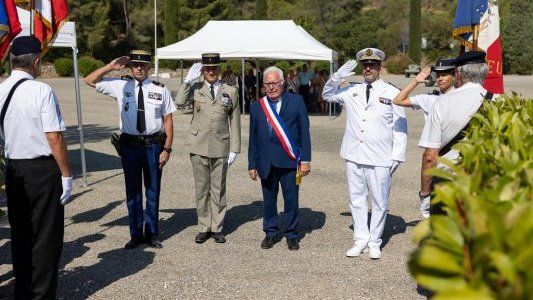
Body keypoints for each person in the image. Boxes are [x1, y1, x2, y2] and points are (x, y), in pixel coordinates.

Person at [0, 36, 72, 299]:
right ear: (37, 61)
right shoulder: (41, 90)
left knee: (21, 235)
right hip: (42, 171)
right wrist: (66, 174)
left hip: (14, 169)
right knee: (45, 239)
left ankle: (23, 291)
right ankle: (41, 295)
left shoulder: (1, 89)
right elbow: (54, 137)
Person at [84, 50, 176, 249]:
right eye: (135, 65)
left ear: (149, 66)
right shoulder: (120, 85)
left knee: (153, 191)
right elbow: (89, 80)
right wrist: (110, 66)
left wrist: (167, 149)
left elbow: (168, 121)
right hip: (130, 147)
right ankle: (135, 234)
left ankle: (152, 233)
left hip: (153, 146)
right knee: (132, 192)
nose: (139, 68)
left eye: (143, 65)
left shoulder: (160, 89)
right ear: (130, 67)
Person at [322, 48, 407, 259]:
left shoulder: (392, 92)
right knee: (356, 199)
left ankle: (375, 241)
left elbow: (400, 127)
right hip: (354, 154)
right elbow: (327, 95)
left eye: (373, 65)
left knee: (379, 201)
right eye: (365, 65)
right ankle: (360, 239)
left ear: (380, 67)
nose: (368, 69)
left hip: (380, 157)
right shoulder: (352, 90)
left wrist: (397, 156)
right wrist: (338, 76)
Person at [175, 53, 241, 244]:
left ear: (219, 70)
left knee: (218, 189)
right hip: (198, 146)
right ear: (203, 71)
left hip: (221, 145)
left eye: (214, 69)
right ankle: (204, 226)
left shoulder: (230, 91)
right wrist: (187, 81)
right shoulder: (195, 89)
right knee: (202, 189)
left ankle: (217, 227)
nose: (211, 72)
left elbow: (234, 121)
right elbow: (179, 102)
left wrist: (234, 148)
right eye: (207, 69)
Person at [248, 66, 311, 251]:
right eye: (267, 83)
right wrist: (252, 163)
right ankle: (271, 232)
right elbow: (253, 138)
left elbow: (304, 133)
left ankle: (292, 234)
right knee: (268, 200)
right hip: (266, 162)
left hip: (290, 161)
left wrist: (306, 160)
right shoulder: (257, 106)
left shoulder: (297, 101)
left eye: (275, 83)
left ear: (282, 83)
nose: (271, 87)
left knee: (291, 199)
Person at [418, 51, 489, 215]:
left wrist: (424, 194)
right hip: (483, 184)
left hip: (447, 183)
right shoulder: (498, 100)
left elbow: (430, 156)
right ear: (485, 71)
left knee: (444, 238)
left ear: (458, 74)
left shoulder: (442, 103)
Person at [392, 58, 455, 218]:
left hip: (455, 155)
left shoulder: (461, 97)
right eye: (438, 74)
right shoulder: (430, 98)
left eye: (445, 74)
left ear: (454, 75)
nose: (440, 78)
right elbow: (398, 100)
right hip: (435, 154)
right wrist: (416, 81)